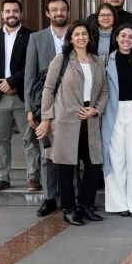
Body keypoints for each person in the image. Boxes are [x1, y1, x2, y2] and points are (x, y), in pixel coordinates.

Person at [35, 20, 108, 226]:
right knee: (66, 166)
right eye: (76, 34)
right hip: (66, 119)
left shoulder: (97, 61)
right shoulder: (62, 60)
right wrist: (46, 119)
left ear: (90, 37)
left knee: (93, 165)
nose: (81, 37)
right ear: (71, 38)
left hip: (89, 118)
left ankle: (85, 205)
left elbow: (104, 91)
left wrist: (96, 109)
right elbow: (48, 90)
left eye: (84, 34)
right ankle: (69, 209)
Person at [0, 0, 39, 194]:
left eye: (15, 11)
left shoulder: (32, 36)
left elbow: (32, 65)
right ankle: (2, 177)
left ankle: (33, 177)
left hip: (23, 96)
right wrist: (1, 84)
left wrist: (12, 82)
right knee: (0, 139)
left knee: (30, 138)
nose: (11, 14)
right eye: (7, 11)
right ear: (2, 14)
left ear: (20, 14)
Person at [24, 0, 70, 217]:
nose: (59, 13)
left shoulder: (77, 34)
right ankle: (50, 198)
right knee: (48, 153)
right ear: (47, 13)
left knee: (71, 153)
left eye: (62, 9)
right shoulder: (36, 38)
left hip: (72, 104)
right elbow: (30, 75)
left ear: (67, 12)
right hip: (45, 104)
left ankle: (73, 197)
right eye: (54, 10)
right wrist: (29, 108)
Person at [102, 24, 132, 217]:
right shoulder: (105, 60)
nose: (127, 39)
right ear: (117, 38)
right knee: (116, 158)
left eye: (131, 37)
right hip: (114, 111)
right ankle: (119, 204)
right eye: (123, 36)